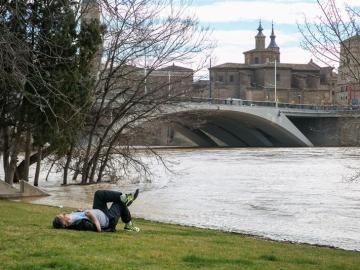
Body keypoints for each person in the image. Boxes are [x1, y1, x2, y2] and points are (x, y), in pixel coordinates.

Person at [52, 189, 140, 232]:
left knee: (99, 194)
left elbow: (83, 214)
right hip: (108, 220)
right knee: (119, 204)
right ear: (64, 223)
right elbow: (95, 227)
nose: (63, 213)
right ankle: (129, 225)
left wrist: (78, 211)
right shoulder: (78, 224)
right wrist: (92, 217)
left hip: (99, 210)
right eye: (62, 216)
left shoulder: (71, 218)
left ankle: (123, 197)